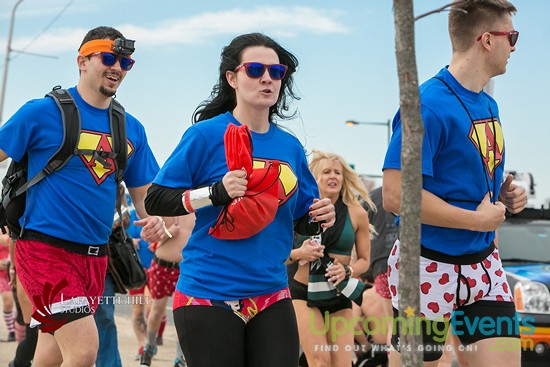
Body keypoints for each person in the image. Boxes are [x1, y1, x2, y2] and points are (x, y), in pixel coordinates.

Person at [144, 32, 335, 367]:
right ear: (232, 77)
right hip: (208, 292)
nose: (267, 79)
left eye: (276, 72)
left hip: (272, 293)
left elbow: (302, 219)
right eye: (255, 70)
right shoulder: (205, 135)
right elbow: (156, 199)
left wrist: (319, 215)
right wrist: (215, 193)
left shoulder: (289, 147)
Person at [0, 26, 167, 366]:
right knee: (85, 350)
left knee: (50, 356)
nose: (117, 67)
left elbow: (143, 195)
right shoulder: (40, 113)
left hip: (94, 258)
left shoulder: (130, 128)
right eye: (108, 58)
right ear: (82, 61)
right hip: (45, 251)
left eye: (125, 62)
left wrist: (154, 219)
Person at [382, 1, 527, 366]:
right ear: (485, 40)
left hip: (483, 266)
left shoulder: (488, 104)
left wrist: (506, 192)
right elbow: (396, 195)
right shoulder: (427, 104)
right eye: (511, 36)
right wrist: (477, 221)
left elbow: (467, 176)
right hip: (426, 268)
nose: (514, 45)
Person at [288, 150, 375, 367]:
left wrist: (348, 270)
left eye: (337, 172)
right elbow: (280, 257)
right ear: (315, 177)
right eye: (326, 172)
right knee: (320, 361)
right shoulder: (299, 211)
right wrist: (300, 253)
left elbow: (365, 260)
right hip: (303, 293)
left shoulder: (357, 214)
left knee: (342, 363)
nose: (333, 176)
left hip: (339, 294)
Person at [140, 215, 194, 367]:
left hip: (185, 268)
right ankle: (149, 348)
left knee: (183, 314)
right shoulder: (170, 205)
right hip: (163, 266)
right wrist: (171, 232)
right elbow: (153, 241)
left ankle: (180, 357)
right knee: (157, 311)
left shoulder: (199, 208)